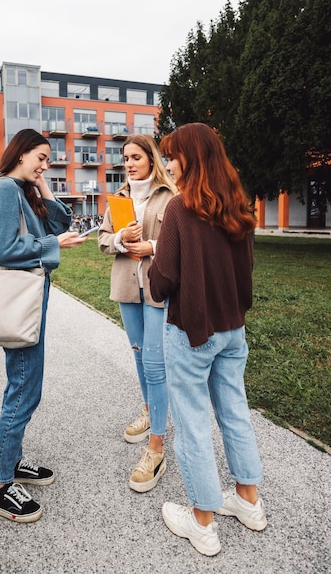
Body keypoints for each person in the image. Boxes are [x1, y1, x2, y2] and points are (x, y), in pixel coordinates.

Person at [149, 122, 267, 556]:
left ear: (191, 159)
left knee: (195, 425)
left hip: (192, 332)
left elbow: (162, 283)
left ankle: (202, 522)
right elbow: (246, 274)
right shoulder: (239, 206)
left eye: (172, 156)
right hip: (232, 329)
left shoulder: (180, 209)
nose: (168, 165)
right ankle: (249, 502)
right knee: (235, 412)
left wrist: (152, 259)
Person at [0, 128, 87, 523]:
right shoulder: (6, 189)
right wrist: (53, 248)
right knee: (23, 388)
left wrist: (42, 184)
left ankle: (12, 460)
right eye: (41, 157)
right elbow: (5, 249)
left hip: (29, 299)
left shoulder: (22, 188)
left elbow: (60, 223)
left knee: (27, 385)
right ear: (21, 153)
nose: (46, 164)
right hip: (19, 300)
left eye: (47, 160)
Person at [98, 134, 177, 492]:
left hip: (158, 290)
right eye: (125, 158)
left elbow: (183, 241)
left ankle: (157, 447)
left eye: (135, 157)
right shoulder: (119, 199)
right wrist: (119, 239)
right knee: (140, 355)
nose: (128, 163)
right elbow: (102, 240)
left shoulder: (170, 195)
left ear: (151, 159)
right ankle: (149, 411)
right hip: (127, 290)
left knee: (156, 364)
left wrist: (151, 246)